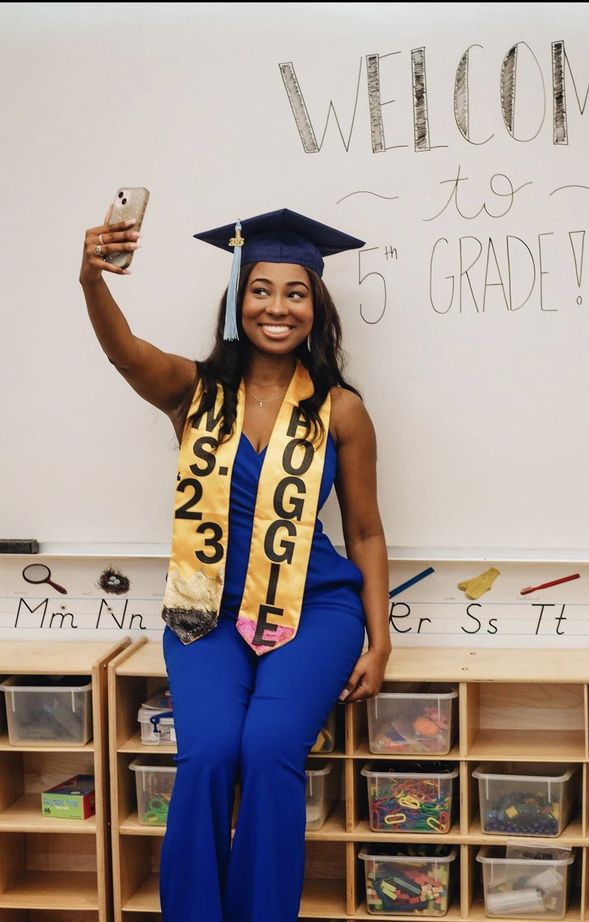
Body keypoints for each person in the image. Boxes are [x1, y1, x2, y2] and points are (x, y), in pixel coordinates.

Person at [79, 206, 391, 922]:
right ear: (236, 300)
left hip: (315, 608)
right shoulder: (193, 393)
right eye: (260, 289)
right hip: (206, 611)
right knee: (210, 753)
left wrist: (381, 639)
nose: (276, 307)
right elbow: (125, 351)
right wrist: (91, 279)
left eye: (294, 292)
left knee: (272, 747)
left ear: (316, 308)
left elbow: (367, 532)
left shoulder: (338, 412)